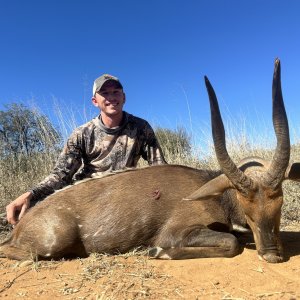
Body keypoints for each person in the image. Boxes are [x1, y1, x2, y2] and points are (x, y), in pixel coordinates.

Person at [6, 74, 166, 225]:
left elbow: (159, 166)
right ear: (95, 101)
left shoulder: (141, 127)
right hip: (86, 195)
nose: (111, 97)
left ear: (124, 97)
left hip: (125, 194)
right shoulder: (81, 133)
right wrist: (30, 194)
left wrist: (158, 187)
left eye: (116, 92)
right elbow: (61, 175)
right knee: (24, 212)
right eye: (104, 93)